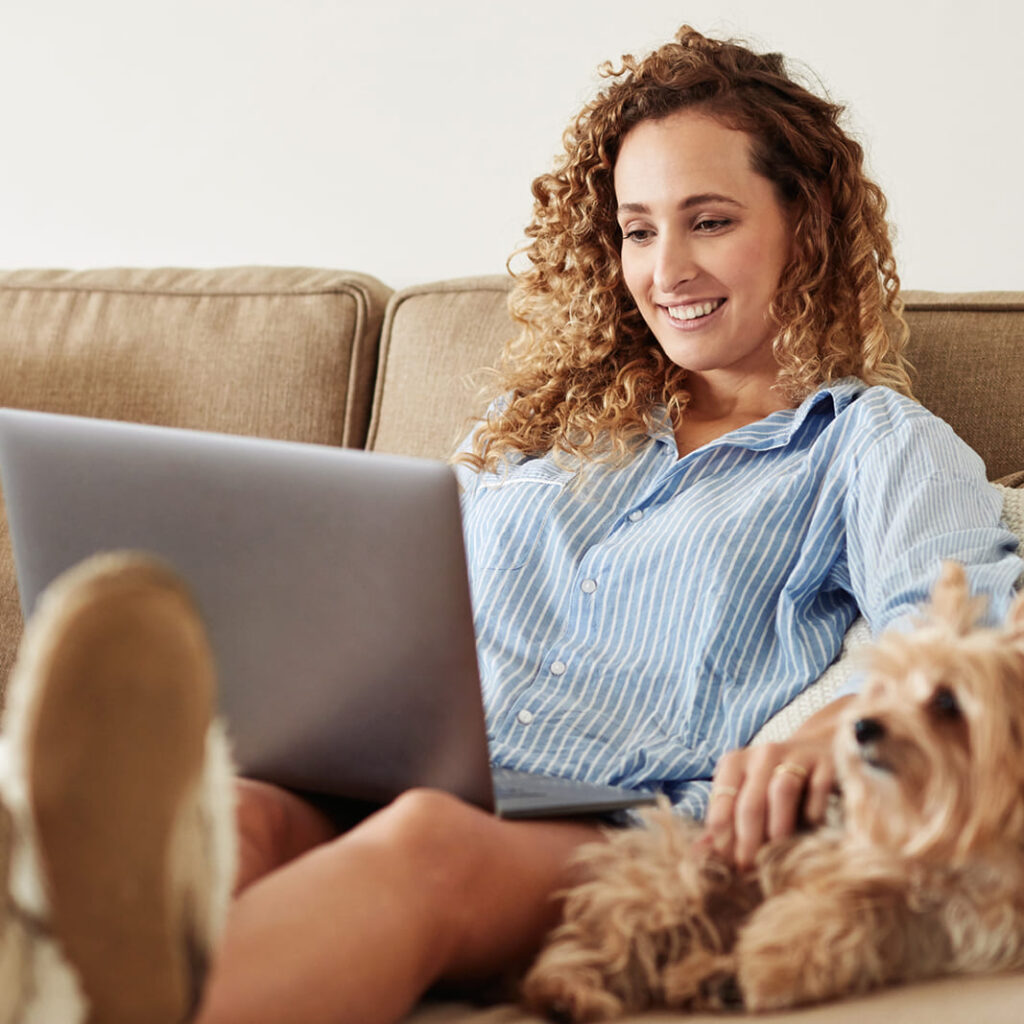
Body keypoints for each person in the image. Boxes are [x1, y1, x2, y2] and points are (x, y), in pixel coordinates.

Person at [0, 23, 1020, 1024]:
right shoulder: (540, 423)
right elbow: (395, 596)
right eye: (637, 227)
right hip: (403, 763)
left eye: (708, 220)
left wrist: (830, 733)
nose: (666, 269)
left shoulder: (869, 440)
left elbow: (968, 635)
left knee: (424, 845)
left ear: (807, 224)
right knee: (236, 814)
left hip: (615, 818)